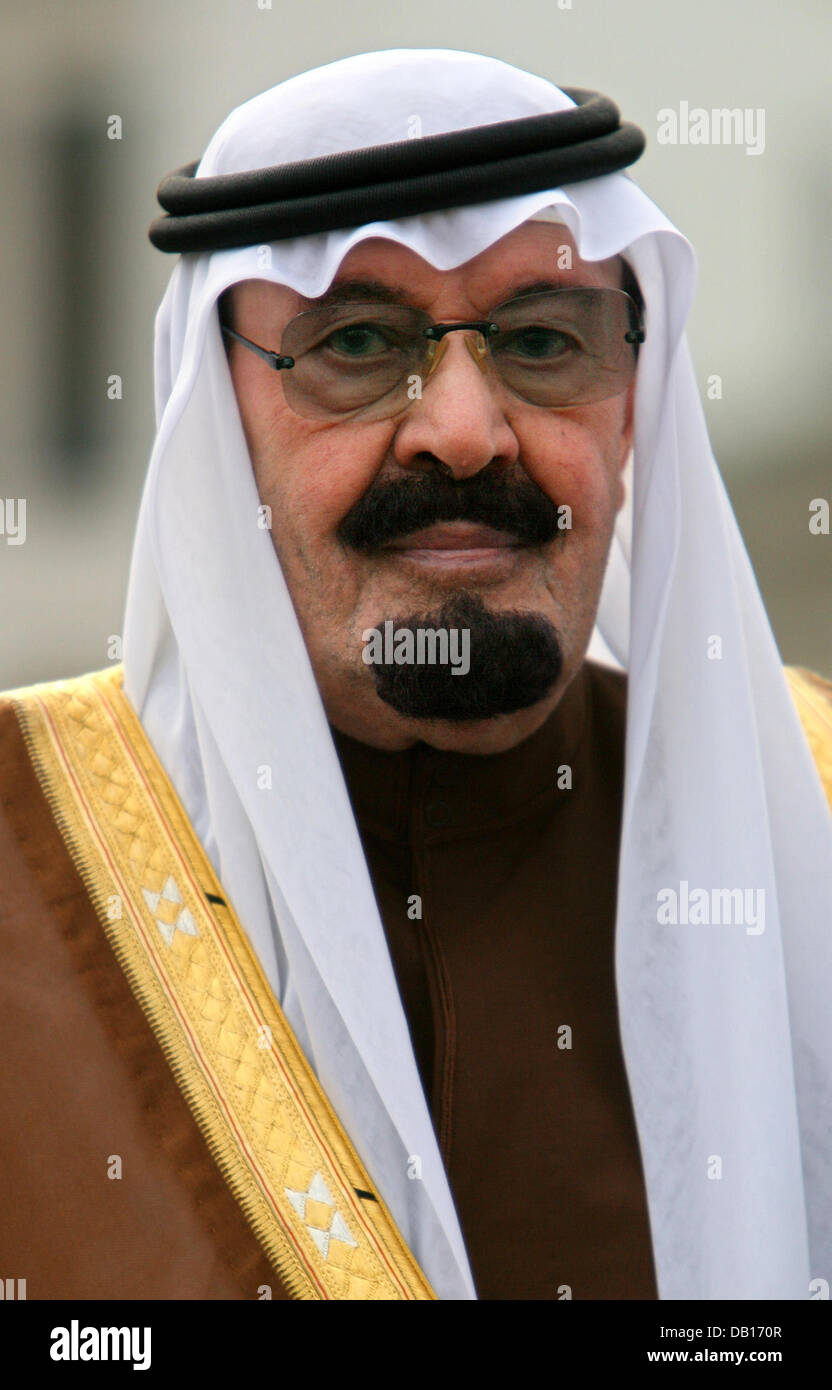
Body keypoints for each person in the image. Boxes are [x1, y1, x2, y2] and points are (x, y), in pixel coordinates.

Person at [1, 49, 830, 1303]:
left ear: (629, 411)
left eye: (544, 341)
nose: (460, 428)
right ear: (218, 430)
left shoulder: (812, 818)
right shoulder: (29, 863)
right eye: (357, 342)